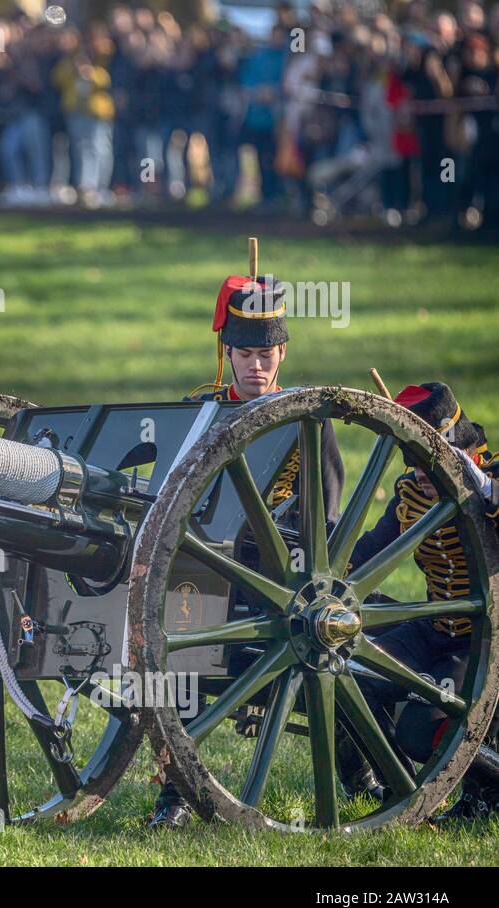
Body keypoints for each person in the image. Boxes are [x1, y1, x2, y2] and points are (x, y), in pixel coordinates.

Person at [148, 255, 346, 829]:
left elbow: (329, 511)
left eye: (266, 355)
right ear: (227, 355)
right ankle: (176, 793)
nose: (256, 367)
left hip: (279, 582)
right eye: (245, 355)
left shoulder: (307, 419)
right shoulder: (199, 413)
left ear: (282, 354)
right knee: (178, 635)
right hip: (205, 568)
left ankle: (356, 768)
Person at [349, 383, 499, 823]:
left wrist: (483, 489)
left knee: (420, 727)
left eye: (425, 465)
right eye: (411, 465)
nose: (418, 477)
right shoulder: (409, 492)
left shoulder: (489, 478)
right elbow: (371, 551)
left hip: (483, 640)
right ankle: (399, 791)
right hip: (435, 626)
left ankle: (484, 790)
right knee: (355, 674)